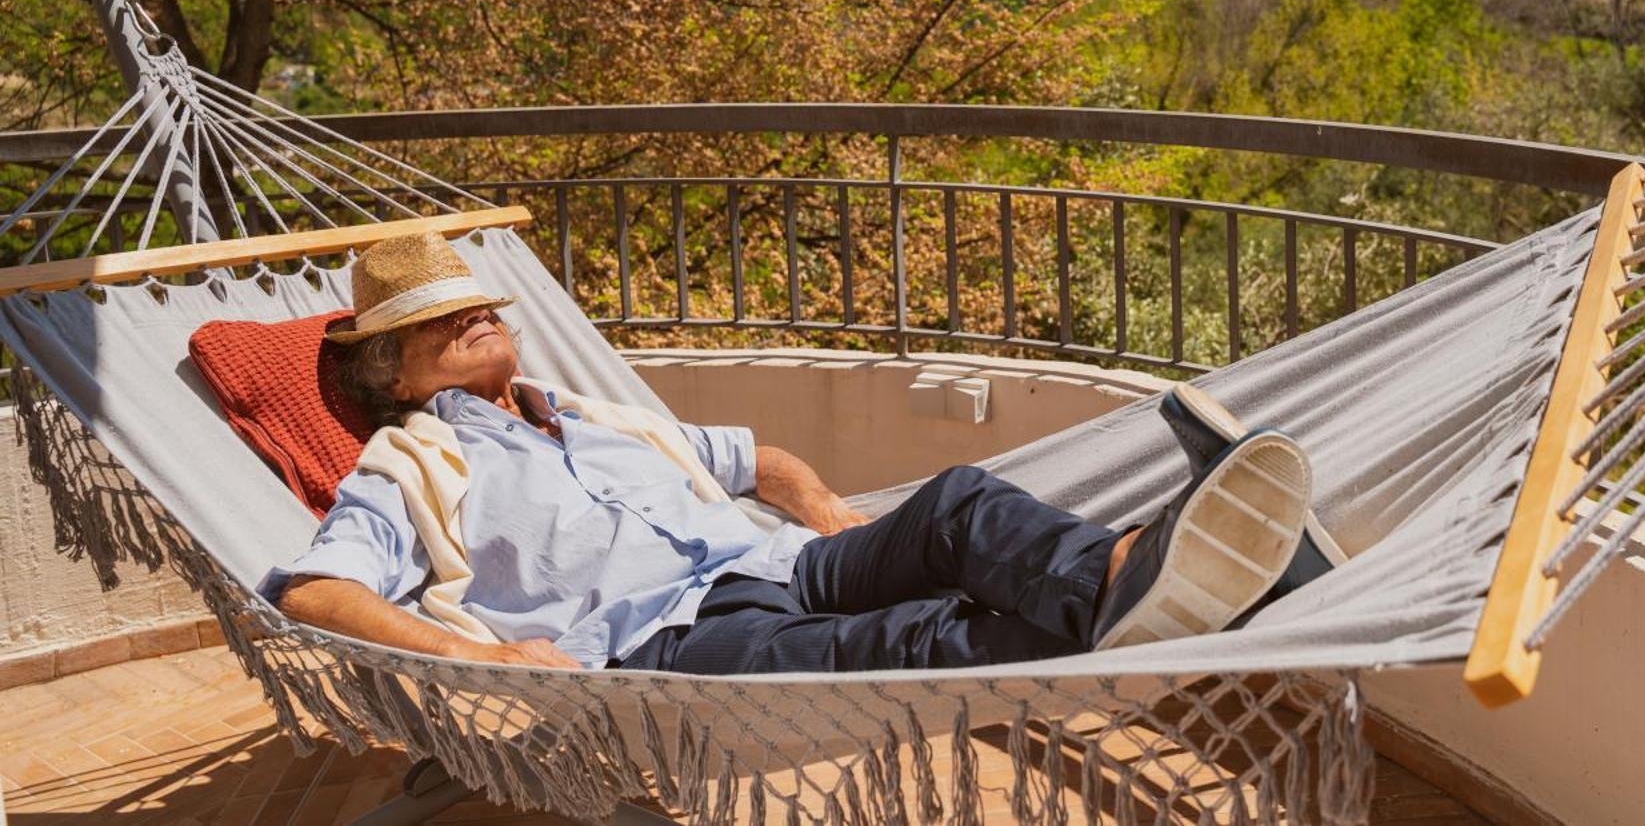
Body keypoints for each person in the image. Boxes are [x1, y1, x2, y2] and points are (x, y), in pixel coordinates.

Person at [266, 232, 1330, 674]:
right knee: (918, 637)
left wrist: (821, 508)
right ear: (395, 376)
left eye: (477, 304)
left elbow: (760, 460)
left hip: (779, 563)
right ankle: (1200, 582)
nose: (472, 318)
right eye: (435, 322)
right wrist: (483, 658)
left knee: (956, 499)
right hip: (671, 639)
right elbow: (317, 592)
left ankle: (1122, 574)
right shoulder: (409, 464)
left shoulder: (593, 415)